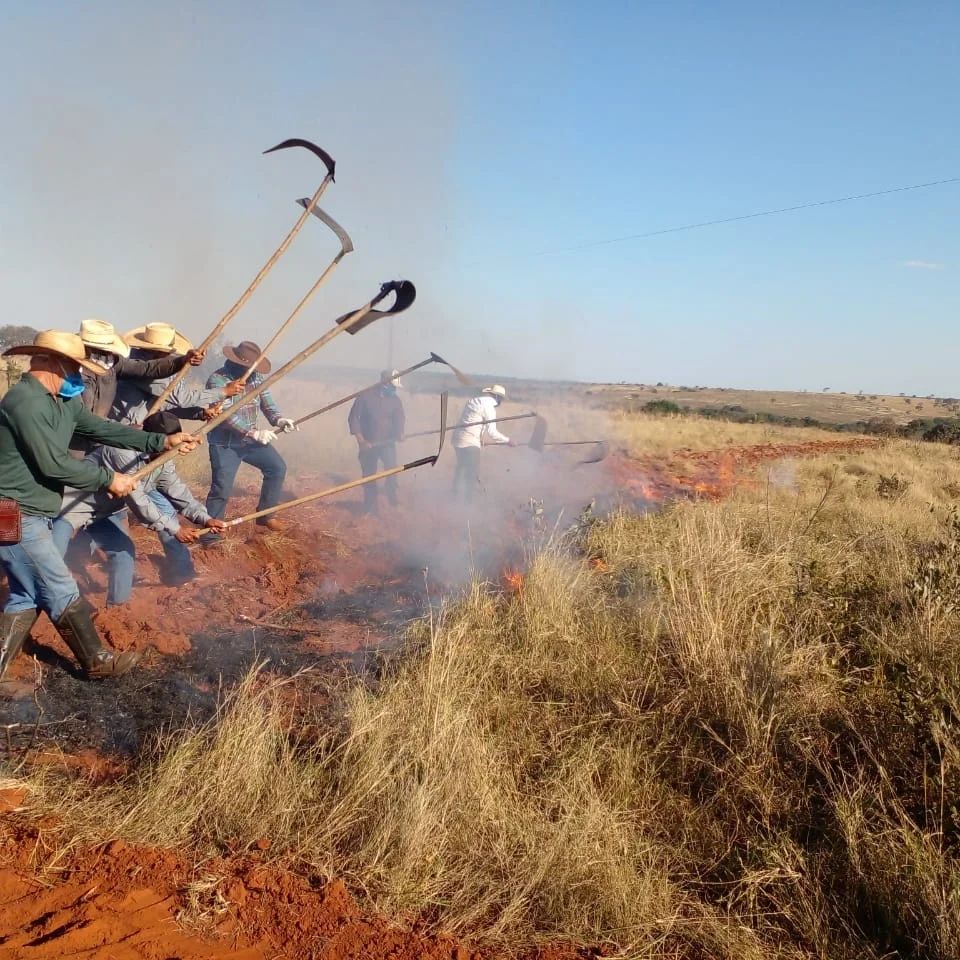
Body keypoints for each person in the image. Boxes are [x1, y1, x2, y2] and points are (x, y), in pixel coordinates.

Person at [0, 331, 199, 685]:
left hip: (31, 509)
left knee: (24, 594)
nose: (81, 376)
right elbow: (53, 465)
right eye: (75, 367)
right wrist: (109, 478)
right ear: (50, 362)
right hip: (12, 511)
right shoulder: (26, 402)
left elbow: (101, 429)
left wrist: (160, 440)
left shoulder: (61, 401)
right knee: (59, 584)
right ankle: (97, 660)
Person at [53, 411, 227, 600]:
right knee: (51, 561)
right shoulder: (123, 452)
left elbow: (177, 492)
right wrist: (175, 529)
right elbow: (138, 501)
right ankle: (41, 609)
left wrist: (205, 518)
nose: (172, 451)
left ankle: (115, 611)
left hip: (105, 513)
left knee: (124, 553)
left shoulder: (165, 459)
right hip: (69, 508)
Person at [204, 341, 296, 536]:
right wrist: (253, 432)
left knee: (277, 468)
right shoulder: (218, 380)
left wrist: (279, 420)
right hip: (225, 444)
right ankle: (210, 537)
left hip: (249, 441)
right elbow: (225, 414)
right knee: (221, 489)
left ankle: (265, 514)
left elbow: (268, 404)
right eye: (247, 366)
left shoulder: (255, 378)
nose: (250, 370)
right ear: (235, 361)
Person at [71, 318, 198, 455]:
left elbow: (147, 368)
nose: (107, 354)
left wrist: (181, 361)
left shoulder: (111, 363)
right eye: (101, 350)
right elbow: (87, 421)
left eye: (107, 349)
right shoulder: (73, 377)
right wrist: (127, 430)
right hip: (73, 443)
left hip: (102, 439)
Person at [112, 322, 244, 426]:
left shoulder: (148, 362)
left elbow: (163, 403)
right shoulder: (145, 368)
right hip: (122, 429)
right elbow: (181, 398)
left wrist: (200, 413)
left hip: (134, 426)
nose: (171, 355)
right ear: (160, 352)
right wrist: (224, 391)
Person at [348, 369, 405, 514]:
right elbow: (354, 418)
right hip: (368, 444)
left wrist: (400, 433)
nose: (394, 390)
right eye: (392, 386)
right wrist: (361, 441)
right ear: (384, 383)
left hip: (387, 443)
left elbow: (399, 419)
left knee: (392, 470)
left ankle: (392, 498)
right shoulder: (365, 396)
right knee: (369, 476)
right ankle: (370, 507)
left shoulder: (395, 400)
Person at [451, 384, 514, 501]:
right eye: (501, 399)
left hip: (457, 439)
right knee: (471, 474)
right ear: (497, 397)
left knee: (461, 466)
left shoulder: (475, 401)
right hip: (470, 443)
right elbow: (492, 432)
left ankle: (454, 495)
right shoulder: (489, 408)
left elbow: (475, 420)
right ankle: (467, 503)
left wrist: (480, 439)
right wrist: (508, 441)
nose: (501, 402)